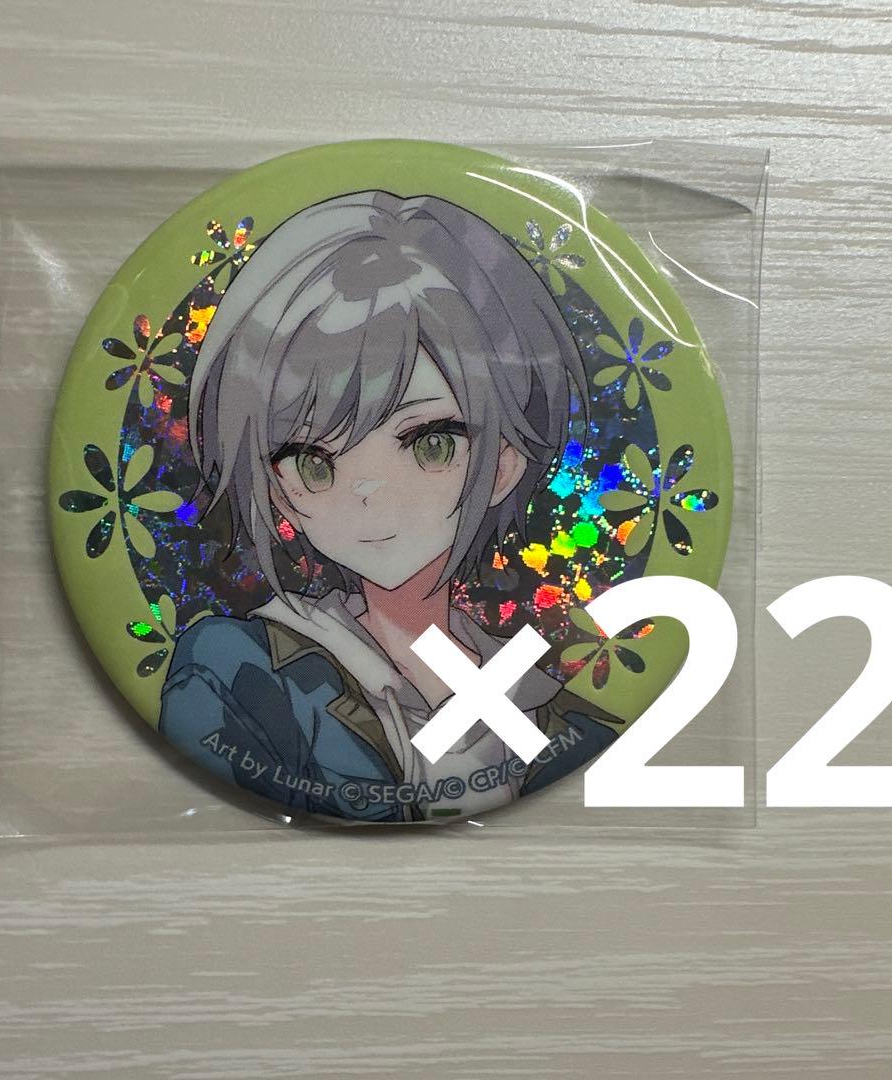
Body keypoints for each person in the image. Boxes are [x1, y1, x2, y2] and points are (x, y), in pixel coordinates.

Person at [159, 189, 617, 822]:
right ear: (276, 485)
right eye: (314, 460)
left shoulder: (561, 715)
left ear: (503, 464)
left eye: (431, 444)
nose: (368, 493)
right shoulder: (241, 670)